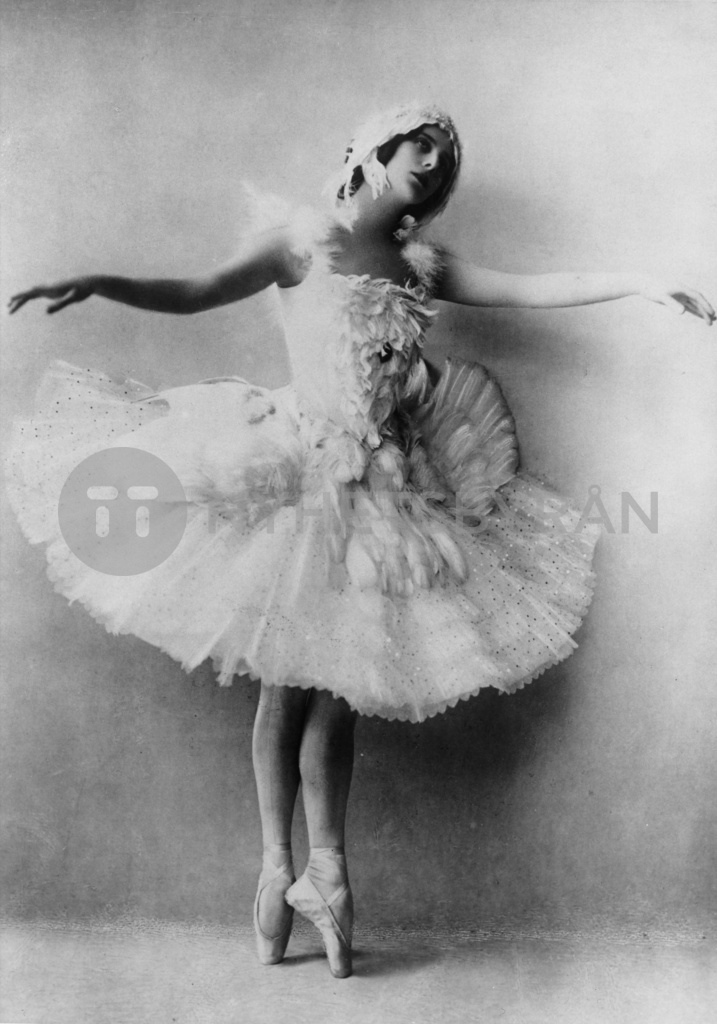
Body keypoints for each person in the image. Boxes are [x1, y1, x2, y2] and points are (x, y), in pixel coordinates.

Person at [6, 103, 714, 979]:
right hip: (293, 467)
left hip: (385, 490)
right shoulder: (301, 241)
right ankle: (276, 867)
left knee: (340, 682)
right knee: (285, 681)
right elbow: (194, 292)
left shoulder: (423, 264)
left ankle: (328, 874)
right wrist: (99, 281)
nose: (434, 160)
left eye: (445, 154)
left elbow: (534, 287)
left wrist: (641, 283)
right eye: (422, 143)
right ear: (376, 149)